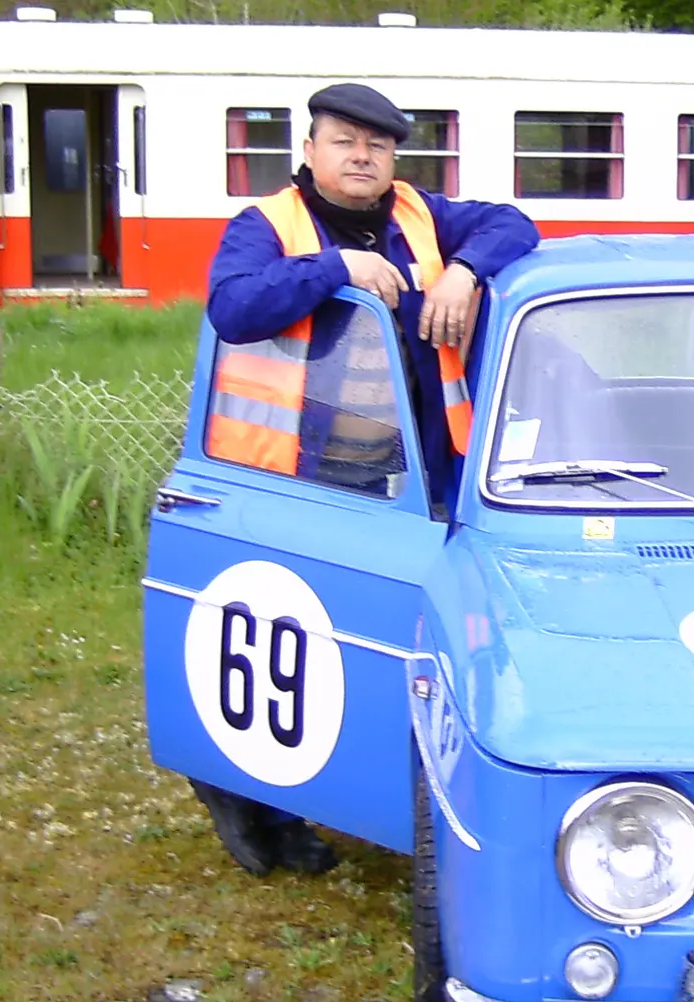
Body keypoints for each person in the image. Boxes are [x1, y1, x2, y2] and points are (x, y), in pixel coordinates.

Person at [193, 83, 540, 877]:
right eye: (345, 140)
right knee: (302, 633)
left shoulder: (422, 213)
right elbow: (234, 308)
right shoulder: (267, 226)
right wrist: (332, 267)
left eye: (377, 146)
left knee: (396, 635)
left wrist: (464, 272)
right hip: (296, 478)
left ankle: (370, 785)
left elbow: (512, 224)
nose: (362, 156)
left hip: (420, 471)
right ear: (309, 151)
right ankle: (251, 794)